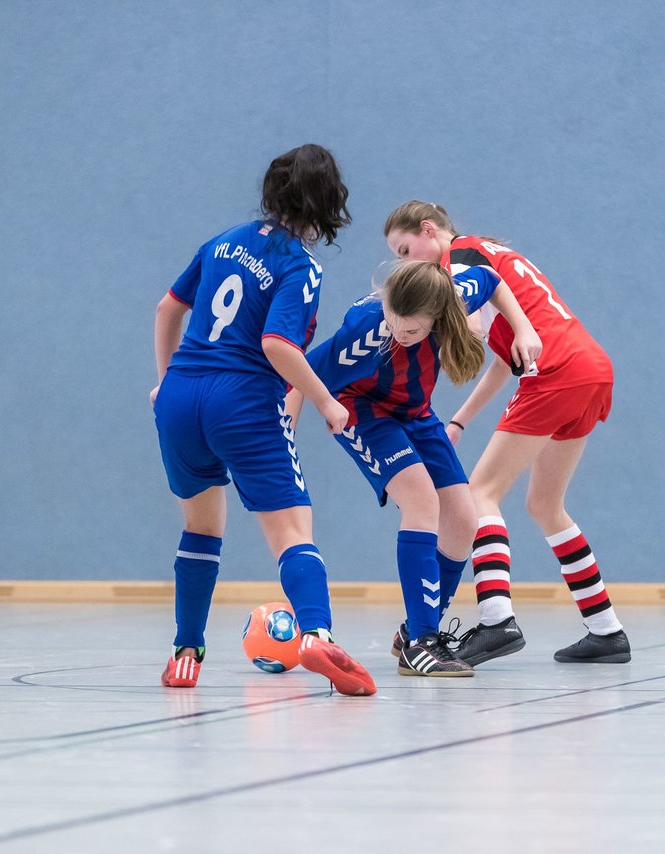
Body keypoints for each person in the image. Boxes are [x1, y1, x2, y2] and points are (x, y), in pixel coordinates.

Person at [151, 144, 375, 696]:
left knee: (201, 528)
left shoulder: (222, 240)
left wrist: (164, 381)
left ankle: (185, 652)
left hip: (181, 396)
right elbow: (277, 344)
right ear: (327, 203)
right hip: (244, 401)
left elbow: (167, 309)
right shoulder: (299, 264)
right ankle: (317, 635)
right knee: (293, 533)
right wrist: (325, 400)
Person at [383, 201, 631, 665]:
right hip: (590, 368)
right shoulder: (492, 256)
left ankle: (497, 620)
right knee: (545, 505)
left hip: (553, 371)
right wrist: (459, 420)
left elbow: (472, 323)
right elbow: (504, 361)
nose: (405, 263)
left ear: (429, 230)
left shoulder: (458, 254)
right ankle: (606, 629)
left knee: (479, 494)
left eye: (404, 249)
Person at [289, 259, 541, 676]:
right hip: (361, 410)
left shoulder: (453, 297)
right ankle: (421, 642)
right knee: (421, 500)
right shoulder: (369, 329)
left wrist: (524, 328)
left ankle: (414, 630)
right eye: (396, 323)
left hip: (415, 412)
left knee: (463, 520)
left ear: (438, 317)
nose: (401, 336)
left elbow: (492, 279)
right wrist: (289, 431)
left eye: (414, 331)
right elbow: (299, 371)